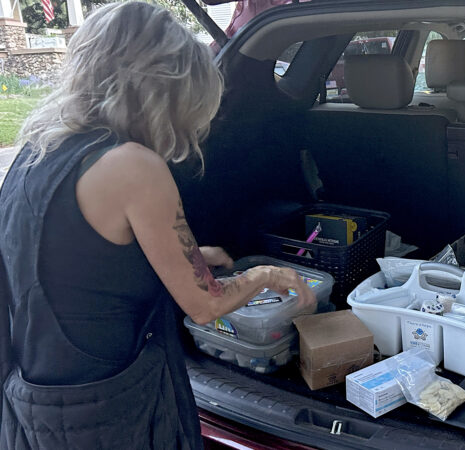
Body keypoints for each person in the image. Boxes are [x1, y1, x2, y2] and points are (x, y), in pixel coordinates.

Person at [0, 2, 315, 448]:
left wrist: (188, 258)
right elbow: (205, 306)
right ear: (162, 91)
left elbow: (69, 260)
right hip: (108, 405)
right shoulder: (133, 165)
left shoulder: (39, 149)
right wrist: (266, 275)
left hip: (39, 394)